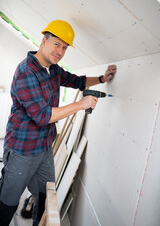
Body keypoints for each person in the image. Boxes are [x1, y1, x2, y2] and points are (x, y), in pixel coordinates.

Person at [0, 20, 117, 226]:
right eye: (57, 44)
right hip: (21, 151)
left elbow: (76, 81)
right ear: (44, 41)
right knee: (7, 201)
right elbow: (43, 116)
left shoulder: (52, 69)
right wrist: (81, 104)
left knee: (46, 197)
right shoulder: (26, 71)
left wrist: (101, 78)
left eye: (64, 47)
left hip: (44, 148)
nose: (60, 51)